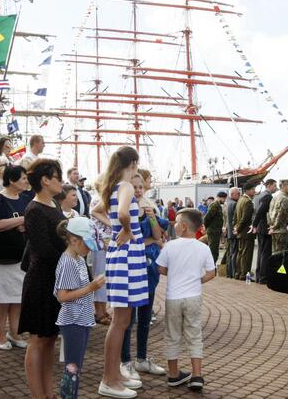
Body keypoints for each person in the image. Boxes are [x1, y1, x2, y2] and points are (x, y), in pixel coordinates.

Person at [96, 146, 145, 398]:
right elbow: (124, 213)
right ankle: (109, 379)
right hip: (127, 255)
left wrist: (119, 229)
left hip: (122, 255)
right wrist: (126, 230)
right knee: (120, 321)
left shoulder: (113, 185)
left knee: (122, 320)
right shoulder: (125, 186)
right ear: (133, 163)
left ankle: (114, 375)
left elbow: (107, 212)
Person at [19, 158, 66, 398]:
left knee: (50, 340)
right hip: (41, 281)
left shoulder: (54, 206)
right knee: (38, 340)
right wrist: (70, 261)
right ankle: (39, 394)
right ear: (45, 180)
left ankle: (49, 393)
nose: (61, 181)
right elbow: (43, 249)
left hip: (54, 280)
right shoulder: (35, 209)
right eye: (58, 177)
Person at [156, 208, 215, 392]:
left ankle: (173, 375)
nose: (174, 226)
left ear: (182, 226)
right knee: (194, 334)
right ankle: (197, 375)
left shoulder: (170, 246)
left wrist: (174, 273)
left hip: (173, 297)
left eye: (176, 223)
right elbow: (212, 273)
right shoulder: (203, 247)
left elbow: (161, 268)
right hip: (193, 296)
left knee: (173, 335)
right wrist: (198, 280)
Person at [119, 172, 167, 381]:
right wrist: (150, 242)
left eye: (141, 187)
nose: (138, 190)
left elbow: (158, 236)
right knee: (127, 318)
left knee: (146, 315)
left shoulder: (150, 207)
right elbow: (130, 240)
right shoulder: (123, 211)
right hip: (131, 264)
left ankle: (141, 358)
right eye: (134, 186)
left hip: (149, 267)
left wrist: (151, 218)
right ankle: (125, 361)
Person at [54, 216, 106, 399]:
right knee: (72, 367)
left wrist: (90, 287)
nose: (90, 249)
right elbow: (62, 296)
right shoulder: (69, 261)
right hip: (73, 320)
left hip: (81, 318)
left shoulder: (78, 258)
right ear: (74, 240)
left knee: (75, 366)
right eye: (87, 244)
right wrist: (91, 287)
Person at [0, 165, 30, 350]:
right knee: (2, 298)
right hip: (1, 257)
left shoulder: (25, 199)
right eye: (23, 178)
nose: (26, 181)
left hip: (20, 256)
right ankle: (0, 333)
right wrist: (21, 220)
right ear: (12, 180)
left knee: (17, 297)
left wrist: (24, 225)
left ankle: (15, 331)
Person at [90, 187, 113, 326]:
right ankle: (99, 312)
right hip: (101, 244)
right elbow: (97, 224)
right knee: (100, 276)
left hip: (106, 242)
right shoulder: (98, 200)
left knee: (104, 277)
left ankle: (102, 310)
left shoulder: (102, 199)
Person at [252, 179, 277, 284]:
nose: (276, 188)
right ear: (269, 185)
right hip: (265, 228)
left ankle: (259, 276)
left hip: (260, 228)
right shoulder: (268, 197)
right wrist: (254, 224)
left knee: (260, 253)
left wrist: (255, 225)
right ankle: (263, 277)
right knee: (265, 254)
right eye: (274, 186)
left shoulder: (258, 196)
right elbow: (260, 211)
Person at [234, 186, 256, 281]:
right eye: (253, 189)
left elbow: (235, 216)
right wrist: (238, 229)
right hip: (246, 232)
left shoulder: (240, 200)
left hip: (240, 232)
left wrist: (235, 227)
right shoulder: (248, 202)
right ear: (248, 190)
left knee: (240, 253)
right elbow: (245, 218)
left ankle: (238, 273)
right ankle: (244, 274)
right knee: (246, 255)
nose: (254, 191)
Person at [268, 179, 288, 255]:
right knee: (282, 256)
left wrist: (271, 227)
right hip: (281, 231)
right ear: (283, 186)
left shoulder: (275, 197)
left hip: (274, 231)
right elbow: (281, 216)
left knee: (275, 256)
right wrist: (274, 227)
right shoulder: (284, 199)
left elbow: (269, 213)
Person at [203, 191, 226, 263]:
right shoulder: (214, 205)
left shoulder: (217, 205)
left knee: (214, 250)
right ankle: (211, 267)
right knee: (213, 251)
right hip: (213, 231)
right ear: (219, 197)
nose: (224, 200)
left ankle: (212, 266)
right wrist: (207, 228)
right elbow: (207, 218)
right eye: (224, 198)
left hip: (215, 231)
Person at [222, 187, 240, 278]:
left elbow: (225, 219)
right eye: (238, 194)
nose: (239, 195)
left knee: (230, 253)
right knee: (234, 253)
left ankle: (229, 273)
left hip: (228, 232)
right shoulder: (234, 204)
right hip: (233, 232)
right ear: (232, 194)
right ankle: (233, 273)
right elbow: (234, 219)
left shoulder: (226, 204)